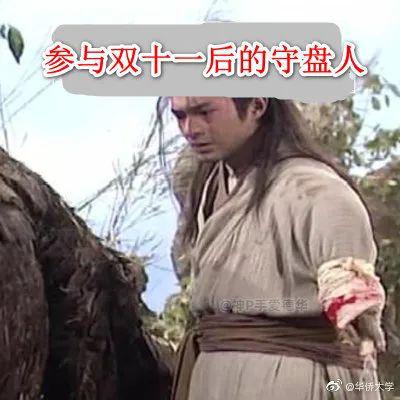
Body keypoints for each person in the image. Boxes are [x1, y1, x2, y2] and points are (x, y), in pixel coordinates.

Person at [161, 96, 386, 400]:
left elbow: (357, 317)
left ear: (256, 106)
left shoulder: (315, 190)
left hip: (290, 381)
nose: (190, 129)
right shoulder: (212, 184)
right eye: (180, 116)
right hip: (216, 378)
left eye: (205, 112)